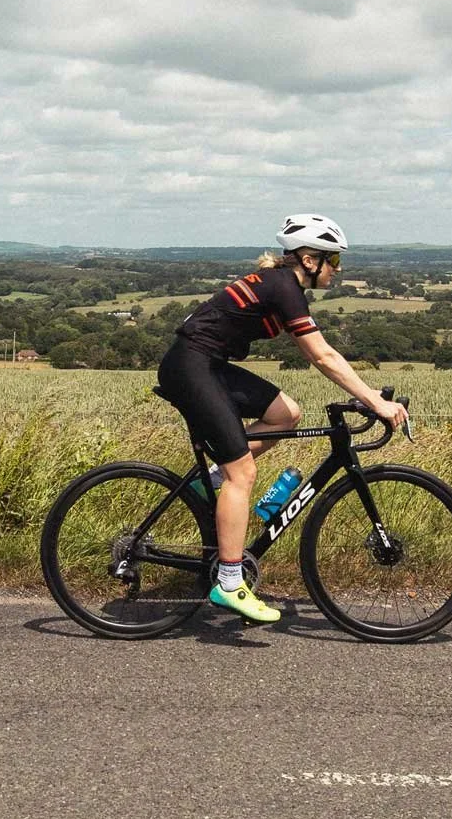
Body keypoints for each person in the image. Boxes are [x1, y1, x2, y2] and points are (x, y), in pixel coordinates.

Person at [157, 214, 408, 623]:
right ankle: (229, 583)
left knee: (285, 413)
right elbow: (321, 355)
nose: (338, 270)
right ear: (310, 260)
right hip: (192, 368)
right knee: (245, 476)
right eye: (335, 262)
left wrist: (366, 394)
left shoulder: (280, 284)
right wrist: (374, 401)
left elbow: (321, 356)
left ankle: (215, 482)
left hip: (204, 364)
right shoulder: (284, 288)